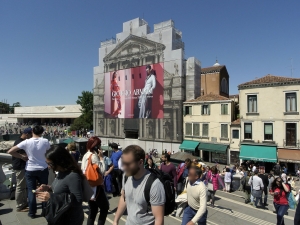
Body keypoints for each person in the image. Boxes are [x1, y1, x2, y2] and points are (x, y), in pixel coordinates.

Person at [113, 145, 165, 225]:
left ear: (140, 162)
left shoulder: (154, 184)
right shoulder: (126, 176)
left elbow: (159, 219)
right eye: (123, 163)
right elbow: (124, 197)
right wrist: (116, 220)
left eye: (127, 164)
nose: (124, 167)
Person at [8, 125, 50, 219]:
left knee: (31, 191)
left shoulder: (26, 142)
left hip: (30, 169)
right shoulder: (45, 141)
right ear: (42, 132)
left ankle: (32, 213)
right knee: (44, 189)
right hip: (43, 168)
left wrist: (22, 157)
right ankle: (45, 211)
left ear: (32, 132)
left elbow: (10, 151)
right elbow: (49, 152)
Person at [35, 145, 84, 225]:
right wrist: (48, 188)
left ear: (59, 161)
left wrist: (51, 198)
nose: (49, 166)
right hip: (60, 216)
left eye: (50, 163)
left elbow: (78, 201)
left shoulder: (73, 176)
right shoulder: (61, 172)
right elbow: (60, 189)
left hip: (70, 220)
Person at [81, 137, 109, 225]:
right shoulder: (94, 156)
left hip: (88, 185)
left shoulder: (86, 155)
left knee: (93, 210)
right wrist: (101, 158)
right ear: (96, 146)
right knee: (104, 208)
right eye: (99, 145)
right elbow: (103, 171)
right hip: (96, 186)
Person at [11, 127, 32, 212]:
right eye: (30, 135)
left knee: (22, 186)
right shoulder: (20, 142)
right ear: (26, 134)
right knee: (20, 186)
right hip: (20, 166)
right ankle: (20, 206)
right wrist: (23, 156)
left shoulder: (18, 141)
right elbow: (23, 155)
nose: (31, 137)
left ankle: (23, 203)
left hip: (20, 166)